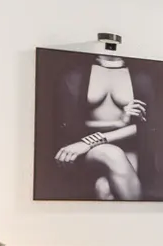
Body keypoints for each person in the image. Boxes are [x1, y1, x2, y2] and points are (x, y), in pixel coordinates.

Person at [49, 51, 156, 200]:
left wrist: (122, 122)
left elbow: (150, 127)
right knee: (111, 154)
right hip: (85, 149)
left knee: (105, 189)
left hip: (127, 146)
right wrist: (90, 141)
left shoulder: (141, 77)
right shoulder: (75, 74)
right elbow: (68, 125)